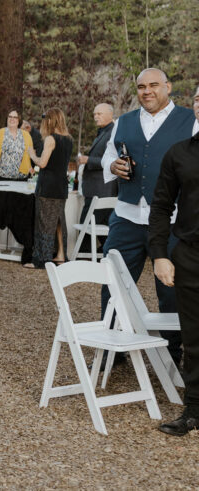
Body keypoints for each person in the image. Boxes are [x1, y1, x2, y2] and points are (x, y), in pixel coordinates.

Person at [102, 68, 198, 367]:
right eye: (142, 86)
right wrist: (113, 166)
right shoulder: (124, 121)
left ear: (167, 87)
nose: (147, 91)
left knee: (172, 288)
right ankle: (112, 349)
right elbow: (108, 155)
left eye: (154, 85)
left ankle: (174, 352)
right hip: (127, 215)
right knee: (113, 281)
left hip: (173, 221)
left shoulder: (191, 121)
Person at [149, 84, 199, 436]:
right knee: (194, 339)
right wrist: (160, 256)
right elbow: (161, 208)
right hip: (190, 256)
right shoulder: (179, 153)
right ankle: (194, 411)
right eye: (198, 98)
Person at [28, 108, 74, 269]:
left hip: (47, 186)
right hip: (61, 186)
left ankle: (42, 259)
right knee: (59, 222)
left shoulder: (50, 139)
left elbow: (42, 163)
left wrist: (32, 154)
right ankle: (61, 255)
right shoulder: (69, 139)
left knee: (45, 222)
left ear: (49, 121)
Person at [78, 102, 117, 228]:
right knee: (99, 229)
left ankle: (88, 249)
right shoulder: (102, 131)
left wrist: (88, 160)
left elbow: (112, 161)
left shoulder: (113, 132)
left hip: (101, 190)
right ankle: (102, 249)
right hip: (94, 189)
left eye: (99, 114)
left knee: (86, 228)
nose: (95, 117)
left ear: (110, 114)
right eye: (94, 114)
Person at [0, 110, 33, 182]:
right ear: (7, 119)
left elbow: (30, 154)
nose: (12, 119)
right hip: (1, 177)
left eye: (15, 117)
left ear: (19, 120)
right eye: (10, 116)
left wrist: (31, 169)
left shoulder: (26, 135)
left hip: (21, 179)